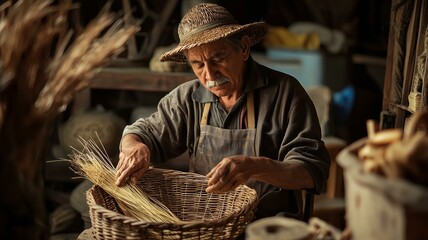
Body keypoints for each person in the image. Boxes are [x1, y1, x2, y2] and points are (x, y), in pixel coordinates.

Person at [115, 2, 330, 220]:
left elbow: (311, 171)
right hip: (206, 224)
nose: (209, 74)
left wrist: (255, 167)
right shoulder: (187, 98)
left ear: (244, 48)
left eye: (218, 58)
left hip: (267, 224)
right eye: (198, 64)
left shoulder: (285, 94)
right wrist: (134, 145)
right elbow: (142, 132)